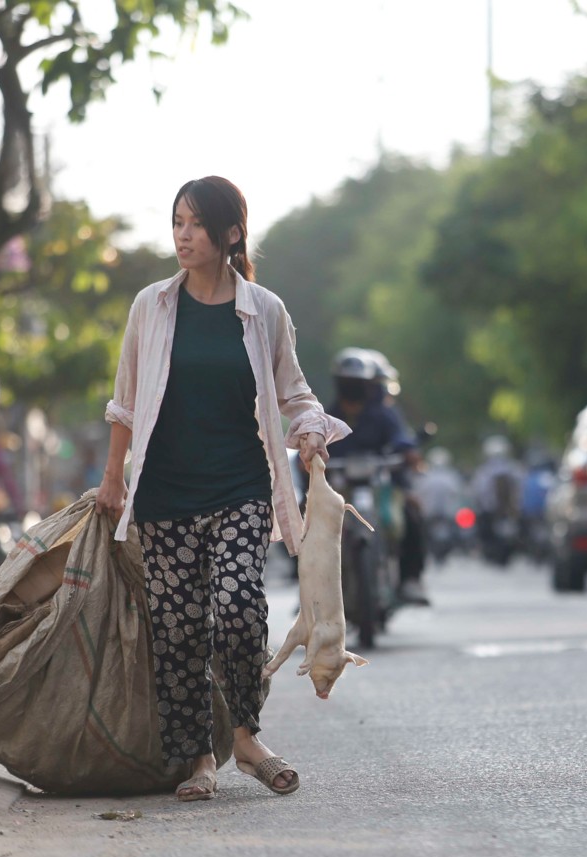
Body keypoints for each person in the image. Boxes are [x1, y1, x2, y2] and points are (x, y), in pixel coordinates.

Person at [94, 176, 351, 802]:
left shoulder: (264, 310)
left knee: (238, 611)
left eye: (196, 224)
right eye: (177, 222)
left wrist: (311, 432)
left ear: (231, 233)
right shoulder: (151, 306)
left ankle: (245, 737)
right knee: (179, 628)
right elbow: (126, 401)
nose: (183, 235)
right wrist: (112, 478)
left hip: (241, 487)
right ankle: (198, 758)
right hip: (165, 493)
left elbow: (294, 392)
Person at [325, 347, 431, 605]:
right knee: (313, 528)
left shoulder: (383, 414)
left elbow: (400, 439)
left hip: (382, 486)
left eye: (357, 383)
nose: (353, 388)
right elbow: (316, 445)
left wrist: (408, 454)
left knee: (409, 516)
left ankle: (410, 579)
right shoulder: (327, 415)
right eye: (347, 383)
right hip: (341, 489)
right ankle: (315, 590)